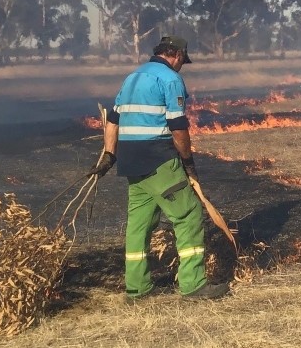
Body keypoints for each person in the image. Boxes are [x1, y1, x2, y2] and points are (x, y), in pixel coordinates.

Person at [90, 36, 229, 304]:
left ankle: (137, 288)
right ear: (175, 54)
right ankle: (193, 285)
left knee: (139, 225)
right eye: (182, 61)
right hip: (158, 159)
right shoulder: (169, 78)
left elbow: (113, 120)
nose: (181, 66)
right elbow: (178, 126)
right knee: (188, 214)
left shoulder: (132, 77)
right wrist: (188, 162)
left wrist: (110, 155)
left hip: (131, 162)